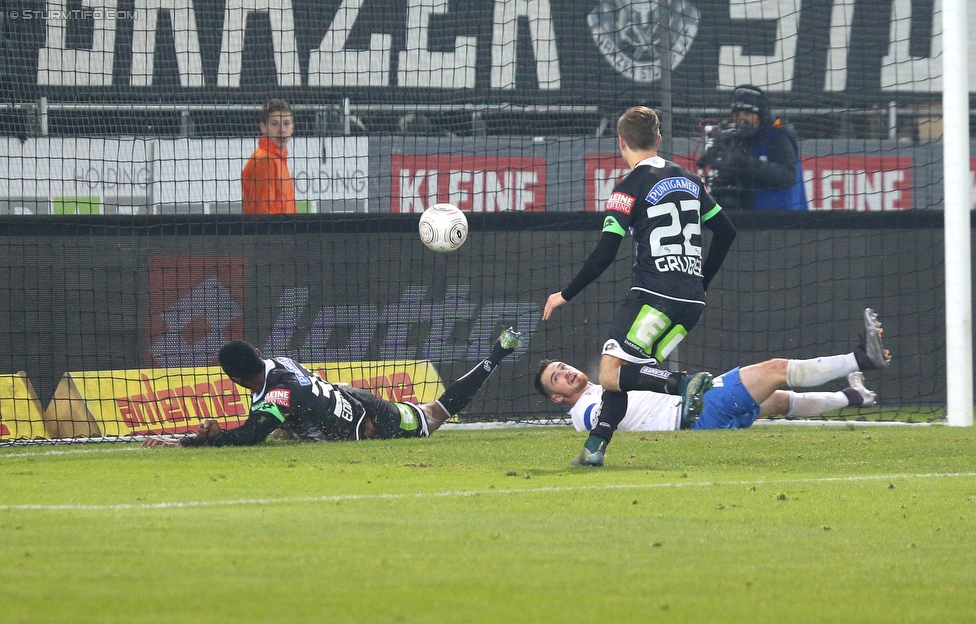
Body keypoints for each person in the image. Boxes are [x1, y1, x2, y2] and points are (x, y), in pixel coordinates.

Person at [542, 105, 737, 466]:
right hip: (692, 303)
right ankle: (594, 448)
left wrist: (564, 293)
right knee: (626, 373)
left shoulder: (627, 188)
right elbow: (726, 232)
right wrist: (701, 281)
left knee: (610, 373)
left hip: (654, 296)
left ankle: (682, 383)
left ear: (621, 142)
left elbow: (604, 254)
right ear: (658, 139)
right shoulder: (691, 179)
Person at [535, 308, 891, 466]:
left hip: (696, 410)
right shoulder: (583, 412)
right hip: (695, 415)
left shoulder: (606, 383)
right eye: (558, 377)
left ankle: (852, 395)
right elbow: (617, 412)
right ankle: (862, 358)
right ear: (557, 397)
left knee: (778, 401)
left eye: (563, 367)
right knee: (774, 371)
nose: (566, 373)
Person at [142, 328, 523, 448]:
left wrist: (189, 442)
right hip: (343, 400)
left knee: (433, 415)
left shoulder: (278, 395)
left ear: (236, 380)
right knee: (285, 431)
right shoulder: (278, 363)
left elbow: (249, 435)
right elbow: (276, 414)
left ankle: (497, 353)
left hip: (375, 419)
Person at [698, 84, 808, 210]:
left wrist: (745, 161)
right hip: (751, 215)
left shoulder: (779, 136)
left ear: (760, 115)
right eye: (737, 114)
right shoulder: (738, 139)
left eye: (747, 113)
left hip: (783, 218)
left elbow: (787, 177)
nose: (742, 118)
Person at [241, 98, 297, 215]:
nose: (282, 130)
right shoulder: (265, 161)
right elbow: (264, 213)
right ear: (263, 127)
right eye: (275, 124)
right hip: (273, 232)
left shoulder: (276, 160)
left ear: (292, 127)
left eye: (286, 123)